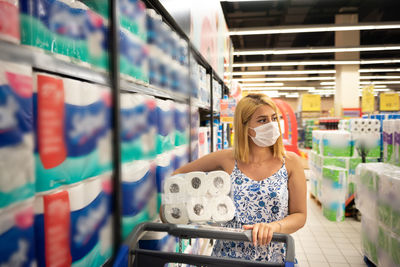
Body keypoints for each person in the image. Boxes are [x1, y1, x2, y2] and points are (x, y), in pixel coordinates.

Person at [171, 93, 307, 263]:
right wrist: (190, 209)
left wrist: (273, 227)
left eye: (274, 118)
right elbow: (177, 176)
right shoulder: (226, 159)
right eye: (262, 120)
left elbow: (300, 215)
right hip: (227, 257)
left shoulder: (290, 162)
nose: (272, 125)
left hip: (272, 256)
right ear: (245, 127)